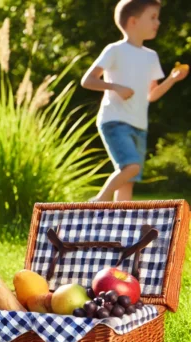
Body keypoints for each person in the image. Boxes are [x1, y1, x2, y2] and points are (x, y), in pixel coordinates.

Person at [82, 0, 187, 202]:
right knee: (130, 167)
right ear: (133, 21)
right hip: (114, 120)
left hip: (139, 125)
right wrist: (115, 87)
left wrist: (172, 80)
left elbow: (152, 95)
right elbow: (88, 80)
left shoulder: (151, 57)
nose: (158, 22)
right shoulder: (115, 50)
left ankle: (119, 224)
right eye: (153, 17)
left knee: (128, 179)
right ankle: (101, 199)